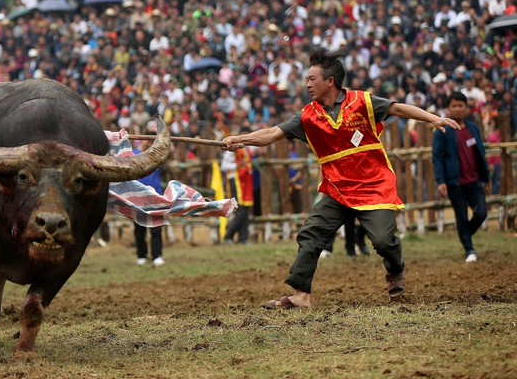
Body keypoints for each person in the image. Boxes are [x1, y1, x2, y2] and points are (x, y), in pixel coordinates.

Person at [223, 49, 460, 309]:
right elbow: (270, 134)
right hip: (337, 189)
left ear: (330, 81)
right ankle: (301, 296)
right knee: (310, 234)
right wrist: (239, 140)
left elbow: (398, 108)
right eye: (306, 79)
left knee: (383, 241)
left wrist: (433, 118)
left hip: (373, 186)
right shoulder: (307, 116)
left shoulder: (363, 102)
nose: (307, 84)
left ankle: (395, 268)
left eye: (312, 79)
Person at [431, 92, 490, 263]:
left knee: (481, 213)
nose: (457, 109)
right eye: (454, 106)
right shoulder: (442, 130)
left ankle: (465, 234)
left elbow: (480, 153)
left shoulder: (473, 128)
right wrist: (440, 181)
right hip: (454, 182)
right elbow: (437, 158)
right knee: (461, 216)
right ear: (448, 108)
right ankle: (469, 249)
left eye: (460, 105)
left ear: (466, 107)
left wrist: (485, 176)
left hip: (474, 179)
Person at [134, 123, 165, 266]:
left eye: (153, 141)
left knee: (156, 227)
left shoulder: (157, 154)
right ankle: (142, 255)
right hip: (138, 196)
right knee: (139, 228)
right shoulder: (133, 154)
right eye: (148, 140)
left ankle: (157, 255)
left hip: (155, 195)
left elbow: (167, 146)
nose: (150, 143)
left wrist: (158, 131)